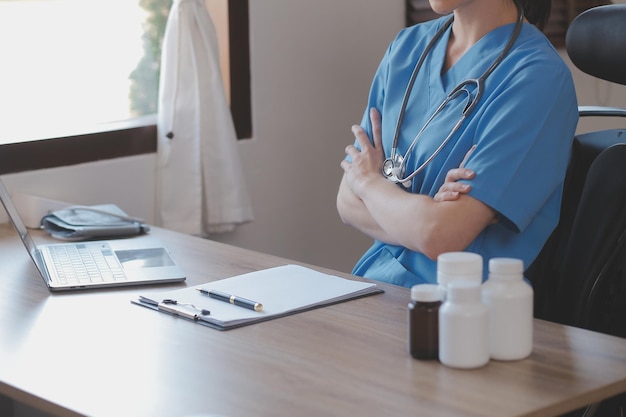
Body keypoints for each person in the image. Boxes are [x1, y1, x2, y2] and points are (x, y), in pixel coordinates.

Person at [337, 0, 578, 287]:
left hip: (461, 310)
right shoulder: (407, 48)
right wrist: (424, 220)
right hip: (372, 289)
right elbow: (346, 203)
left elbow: (440, 235)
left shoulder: (537, 77)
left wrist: (369, 185)